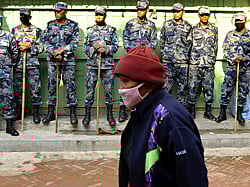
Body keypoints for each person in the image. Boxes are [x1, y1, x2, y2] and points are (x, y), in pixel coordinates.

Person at [114, 47, 208, 186]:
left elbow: (192, 177)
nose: (121, 89)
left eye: (126, 82)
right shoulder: (141, 111)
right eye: (120, 81)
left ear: (149, 84)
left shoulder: (170, 119)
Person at [120, 0, 158, 122]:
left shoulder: (151, 25)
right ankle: (123, 109)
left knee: (144, 86)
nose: (139, 12)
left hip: (146, 60)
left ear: (147, 10)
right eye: (138, 9)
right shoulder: (130, 24)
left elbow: (154, 42)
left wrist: (146, 49)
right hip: (133, 59)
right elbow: (125, 40)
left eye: (142, 9)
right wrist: (134, 50)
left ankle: (144, 110)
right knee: (129, 85)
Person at [42, 2, 79, 126]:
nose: (56, 13)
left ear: (65, 11)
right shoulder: (50, 25)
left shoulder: (73, 25)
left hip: (68, 61)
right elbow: (44, 41)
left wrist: (62, 50)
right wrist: (53, 52)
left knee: (70, 87)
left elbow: (75, 42)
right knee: (52, 86)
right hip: (53, 61)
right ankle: (51, 112)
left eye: (59, 11)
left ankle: (72, 114)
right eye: (55, 11)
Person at [82, 6, 118, 127]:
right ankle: (87, 114)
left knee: (108, 91)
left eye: (101, 15)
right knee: (90, 90)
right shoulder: (90, 30)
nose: (99, 17)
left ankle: (109, 115)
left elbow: (115, 46)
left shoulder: (112, 30)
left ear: (105, 16)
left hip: (107, 66)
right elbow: (85, 47)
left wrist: (106, 49)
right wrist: (94, 49)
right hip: (93, 65)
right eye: (97, 14)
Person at [216, 13, 250, 125]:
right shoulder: (230, 34)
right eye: (237, 22)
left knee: (243, 91)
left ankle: (239, 113)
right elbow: (225, 49)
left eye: (240, 22)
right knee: (226, 89)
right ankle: (222, 113)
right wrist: (233, 58)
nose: (238, 24)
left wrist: (244, 58)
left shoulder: (249, 35)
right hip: (232, 67)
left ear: (244, 21)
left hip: (245, 68)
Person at [11, 8, 43, 124]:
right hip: (19, 63)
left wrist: (30, 47)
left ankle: (35, 113)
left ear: (30, 17)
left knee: (35, 88)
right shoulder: (14, 30)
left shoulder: (37, 31)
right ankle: (19, 111)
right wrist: (19, 46)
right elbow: (11, 47)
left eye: (25, 16)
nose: (23, 17)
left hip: (32, 64)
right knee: (18, 88)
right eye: (21, 16)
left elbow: (41, 47)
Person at [187, 6, 218, 120]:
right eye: (202, 15)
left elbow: (215, 46)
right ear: (199, 15)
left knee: (209, 88)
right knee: (192, 87)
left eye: (206, 15)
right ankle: (192, 111)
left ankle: (208, 112)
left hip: (208, 64)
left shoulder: (214, 29)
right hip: (195, 64)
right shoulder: (193, 29)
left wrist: (212, 60)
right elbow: (188, 45)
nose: (204, 17)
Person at [160, 2, 192, 106]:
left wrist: (185, 57)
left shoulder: (188, 26)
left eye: (178, 11)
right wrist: (165, 56)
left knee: (182, 88)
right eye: (174, 11)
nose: (176, 14)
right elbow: (162, 42)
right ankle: (166, 110)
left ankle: (180, 111)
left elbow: (190, 44)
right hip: (168, 62)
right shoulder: (167, 25)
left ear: (183, 12)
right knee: (166, 87)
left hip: (182, 63)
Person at [0, 15, 19, 136]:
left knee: (8, 98)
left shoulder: (8, 36)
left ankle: (9, 126)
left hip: (5, 73)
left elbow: (15, 53)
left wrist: (7, 65)